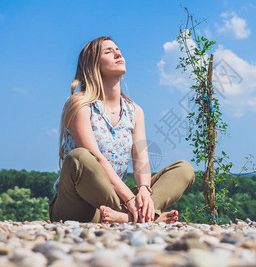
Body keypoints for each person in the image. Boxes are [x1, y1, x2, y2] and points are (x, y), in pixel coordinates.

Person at [49, 36, 195, 224]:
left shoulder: (135, 111)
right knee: (80, 157)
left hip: (116, 203)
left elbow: (141, 160)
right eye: (108, 52)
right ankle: (143, 217)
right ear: (93, 64)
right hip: (78, 205)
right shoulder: (79, 104)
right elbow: (98, 158)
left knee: (184, 169)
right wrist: (130, 199)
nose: (118, 53)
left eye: (118, 49)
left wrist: (143, 190)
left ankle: (129, 217)